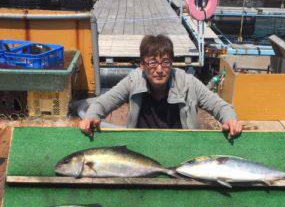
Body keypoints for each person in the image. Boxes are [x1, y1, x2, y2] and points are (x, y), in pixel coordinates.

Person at [79, 34, 242, 137]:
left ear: (171, 63)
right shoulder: (133, 80)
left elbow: (221, 106)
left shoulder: (187, 82)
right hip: (141, 145)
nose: (159, 70)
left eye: (165, 62)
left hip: (182, 144)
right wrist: (92, 116)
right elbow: (102, 103)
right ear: (142, 65)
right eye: (152, 63)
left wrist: (230, 120)